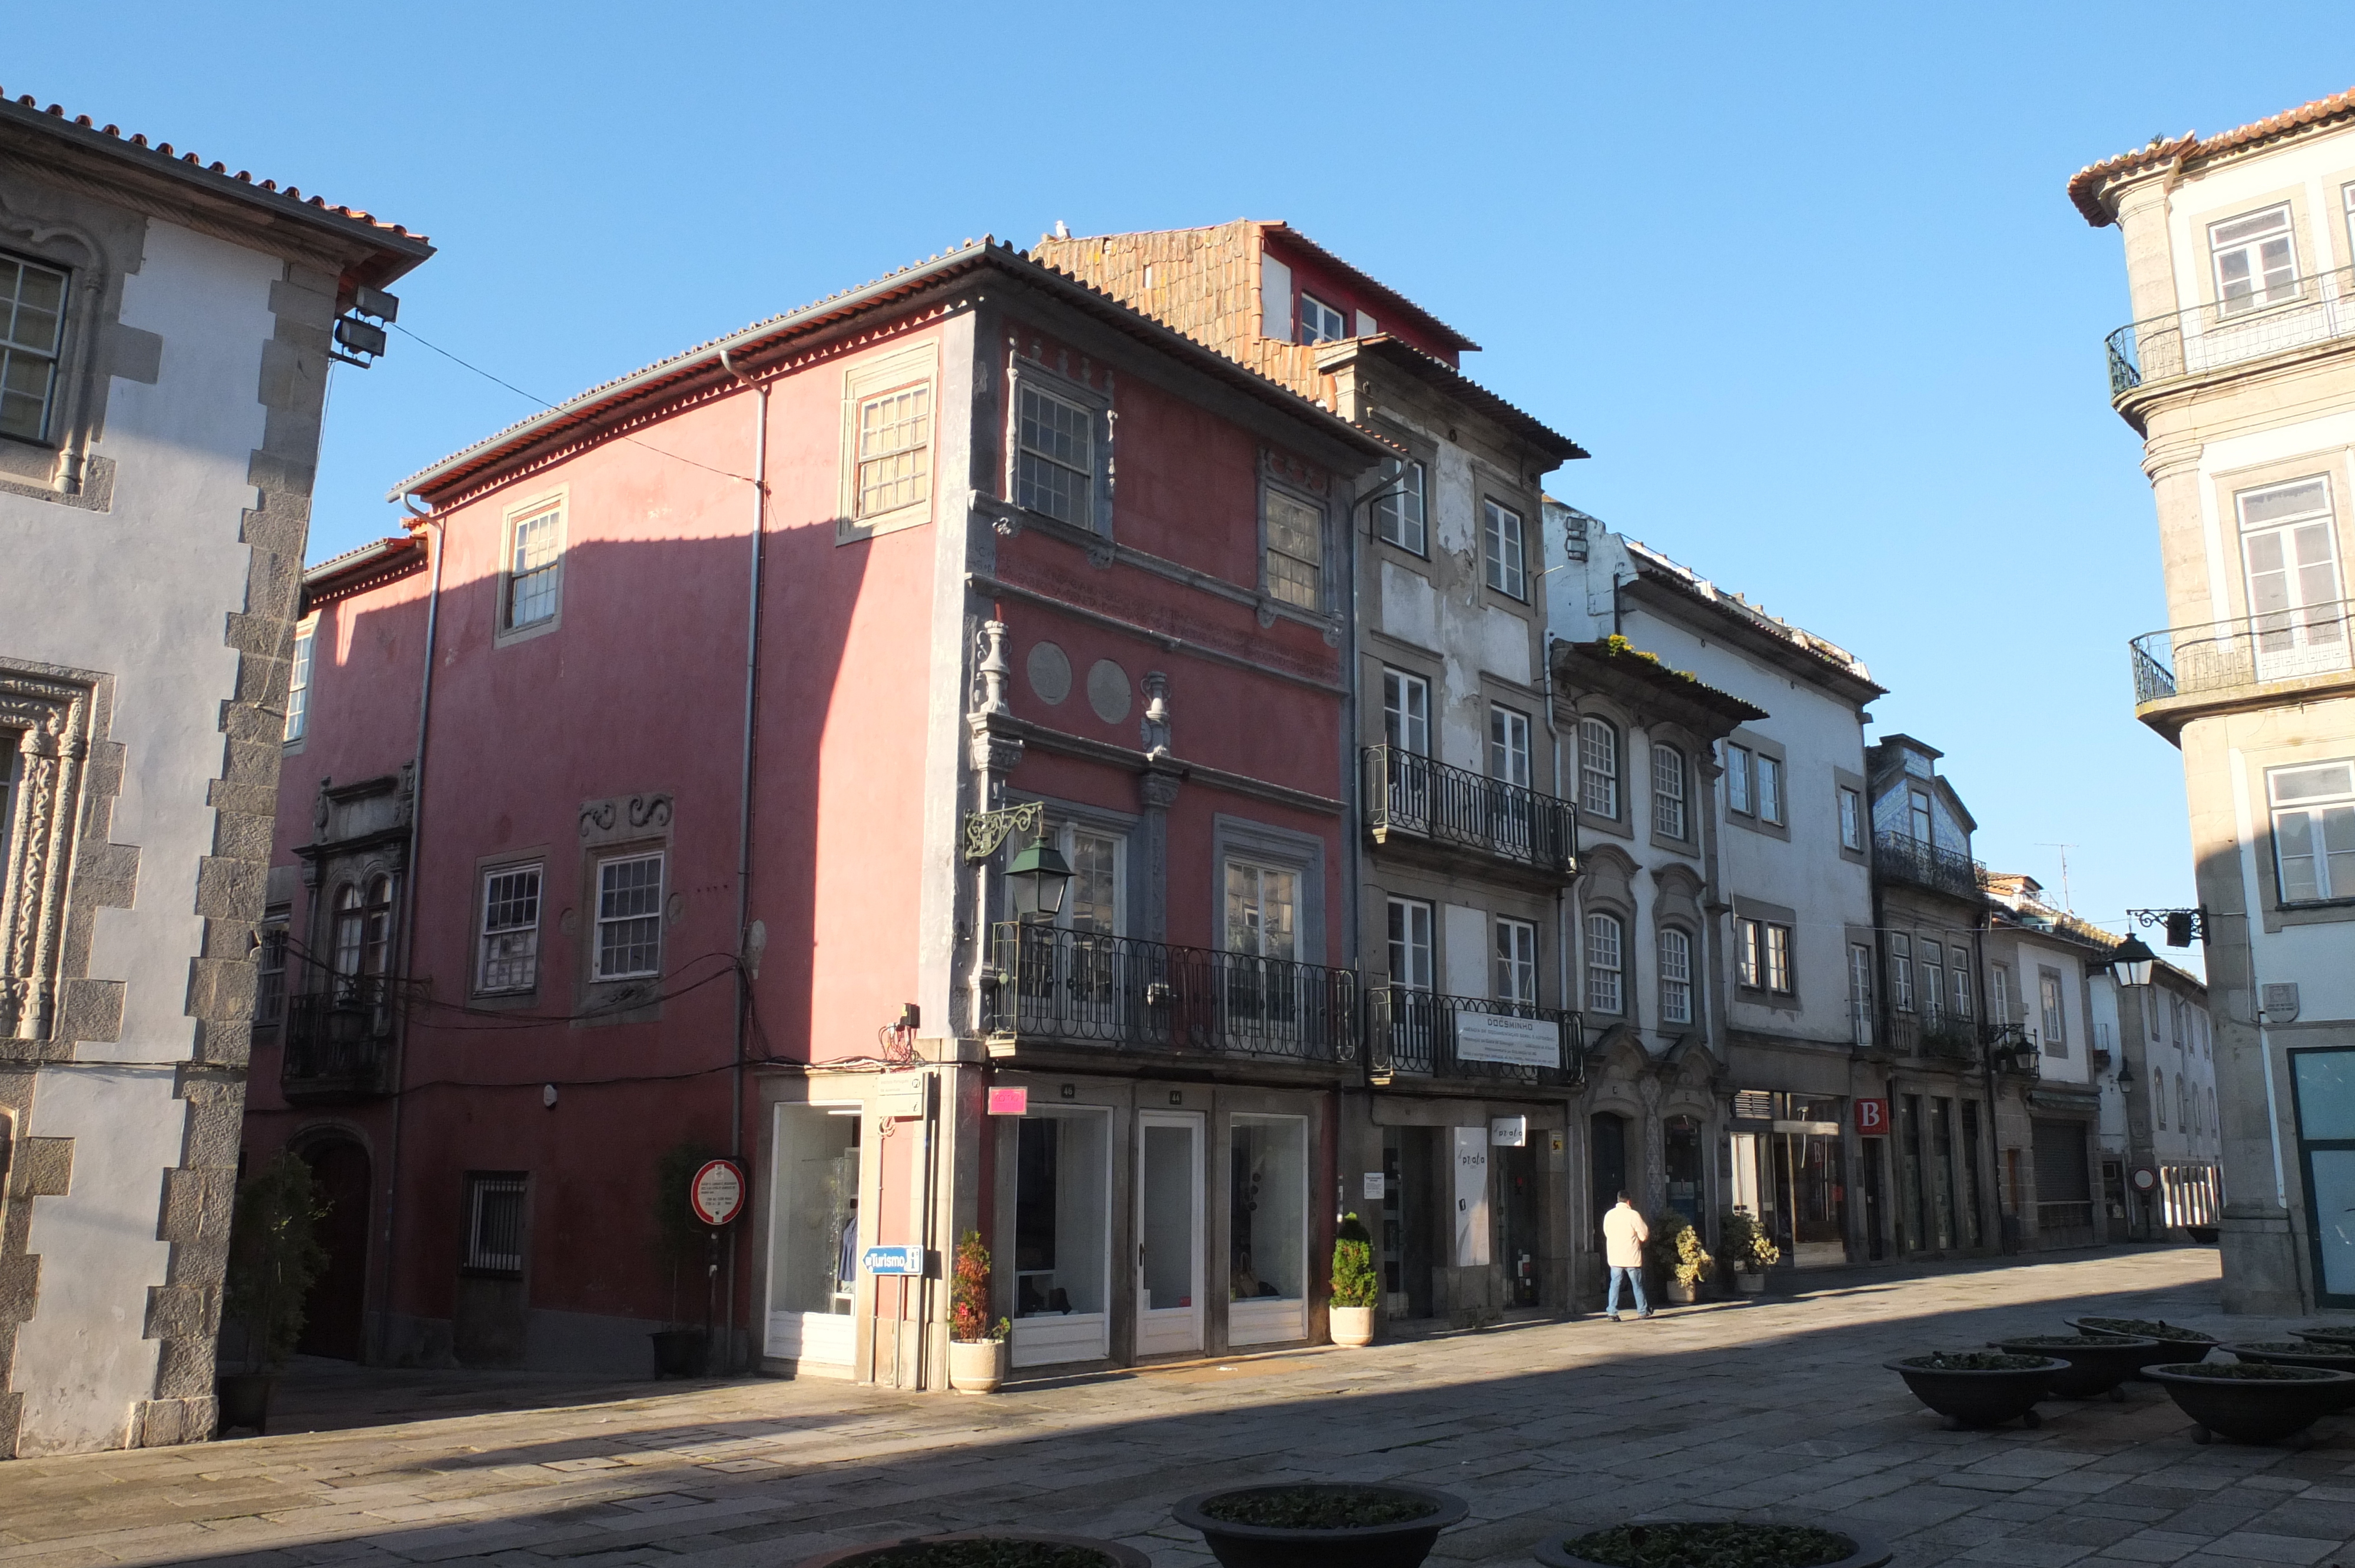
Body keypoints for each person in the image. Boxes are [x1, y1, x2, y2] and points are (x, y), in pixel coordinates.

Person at [1601, 1191, 1652, 1320]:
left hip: (1615, 1256)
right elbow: (1644, 1235)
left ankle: (1612, 1312)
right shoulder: (1633, 1215)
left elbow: (1607, 1232)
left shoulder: (1609, 1215)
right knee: (1637, 1285)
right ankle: (1642, 1311)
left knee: (1615, 1284)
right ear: (1629, 1201)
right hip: (1632, 1256)